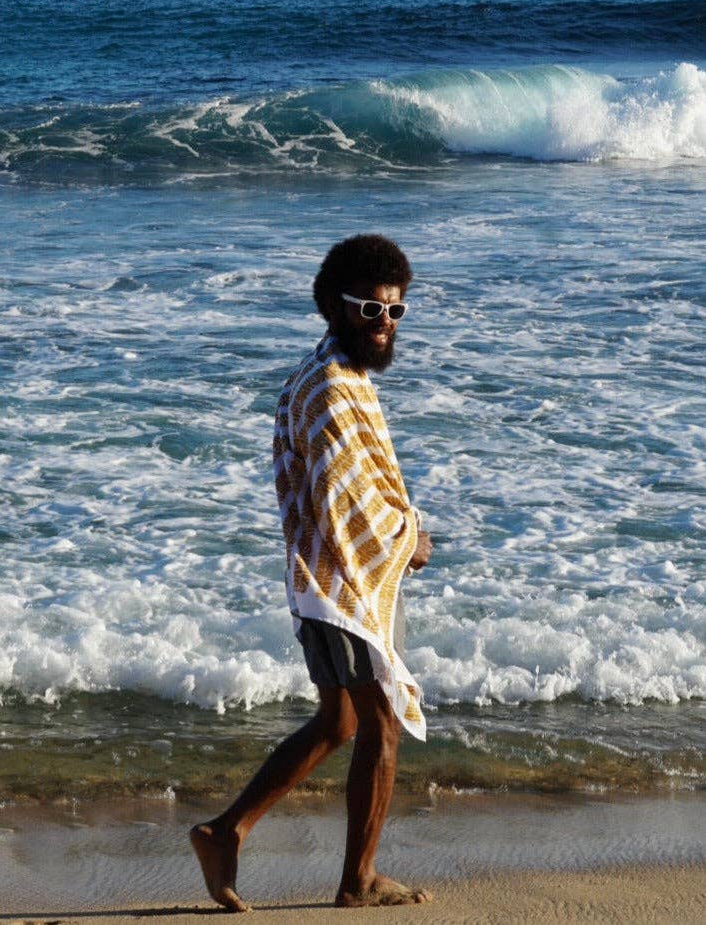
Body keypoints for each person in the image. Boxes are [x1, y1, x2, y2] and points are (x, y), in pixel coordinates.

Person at [190, 233, 433, 911]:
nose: (383, 324)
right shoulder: (327, 386)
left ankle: (224, 830)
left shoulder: (337, 372)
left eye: (394, 311)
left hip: (327, 583)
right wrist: (408, 537)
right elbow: (341, 501)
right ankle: (356, 880)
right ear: (334, 307)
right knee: (378, 724)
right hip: (338, 586)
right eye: (368, 310)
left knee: (340, 723)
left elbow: (354, 485)